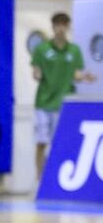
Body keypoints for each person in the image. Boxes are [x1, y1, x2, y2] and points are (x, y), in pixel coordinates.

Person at [32, 12, 97, 181]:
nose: (60, 28)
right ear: (53, 27)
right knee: (41, 141)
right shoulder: (42, 49)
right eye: (57, 25)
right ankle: (40, 179)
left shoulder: (74, 51)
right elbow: (36, 70)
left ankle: (55, 178)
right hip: (44, 102)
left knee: (59, 143)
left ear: (67, 27)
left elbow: (76, 73)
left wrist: (85, 77)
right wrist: (37, 73)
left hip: (64, 103)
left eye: (63, 25)